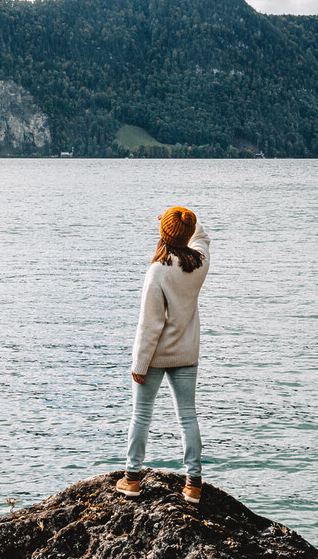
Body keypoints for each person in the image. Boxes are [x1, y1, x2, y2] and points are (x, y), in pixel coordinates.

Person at [115, 206, 210, 504]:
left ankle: (132, 479)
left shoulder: (158, 270)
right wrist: (184, 219)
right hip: (186, 353)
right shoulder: (199, 263)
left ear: (164, 234)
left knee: (141, 417)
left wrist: (139, 364)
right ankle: (193, 484)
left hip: (155, 356)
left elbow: (150, 324)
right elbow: (202, 237)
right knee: (188, 417)